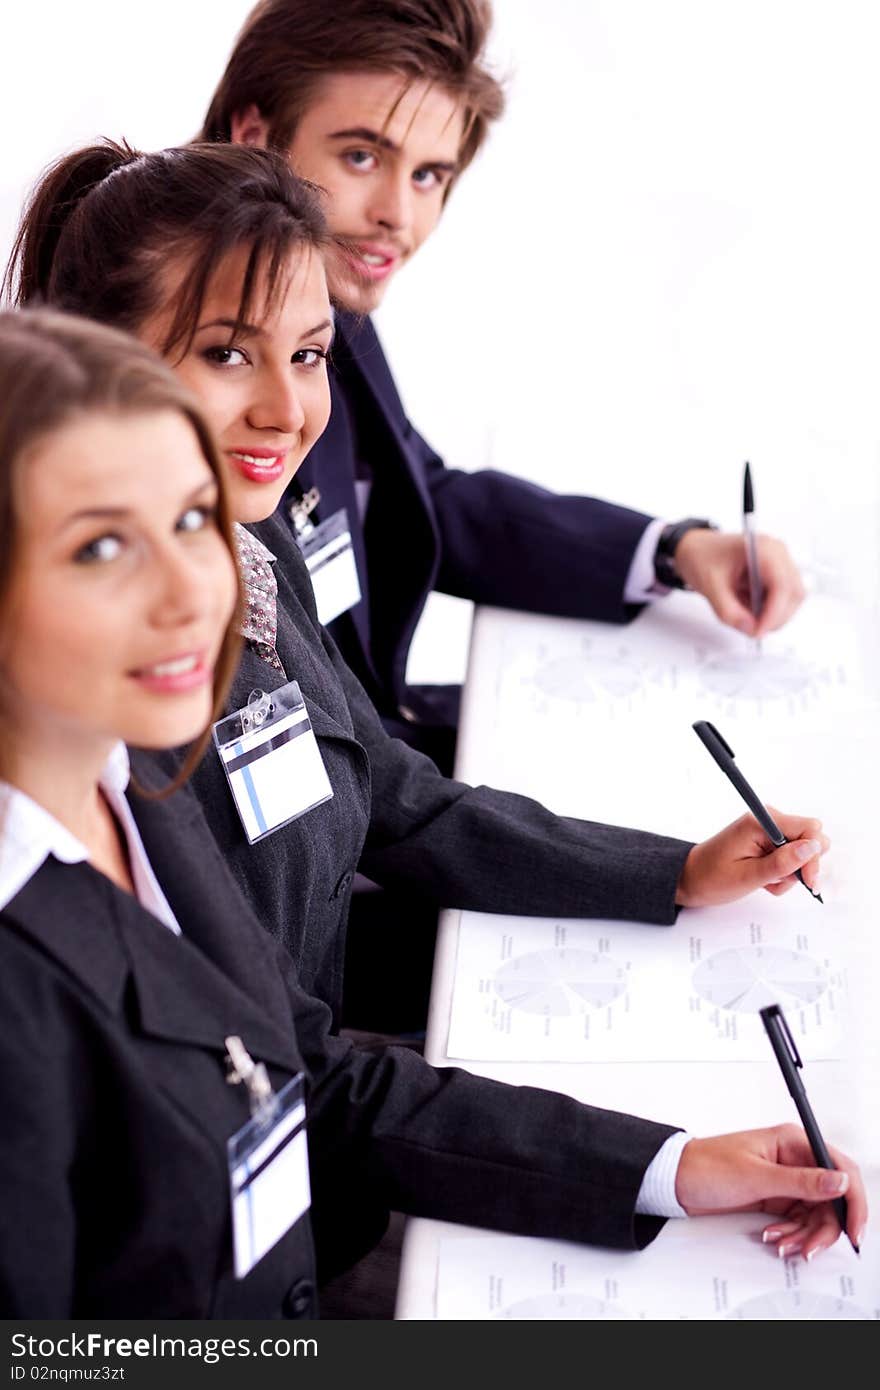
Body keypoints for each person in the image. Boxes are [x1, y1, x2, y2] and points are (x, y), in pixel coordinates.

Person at [0, 308, 865, 1317]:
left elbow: (304, 1080)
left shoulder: (132, 792)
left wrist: (667, 1167)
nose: (193, 592)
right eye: (103, 547)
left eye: (194, 521)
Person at [6, 142, 828, 1041]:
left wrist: (668, 874)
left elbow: (392, 795)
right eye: (229, 354)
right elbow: (299, 1069)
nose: (288, 409)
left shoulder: (256, 538)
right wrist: (656, 1170)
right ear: (102, 363)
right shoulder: (122, 691)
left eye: (311, 355)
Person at [203, 0, 808, 772]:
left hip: (380, 761)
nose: (398, 215)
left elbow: (418, 495)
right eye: (361, 156)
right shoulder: (171, 346)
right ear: (254, 133)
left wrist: (672, 551)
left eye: (428, 175)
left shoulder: (313, 286)